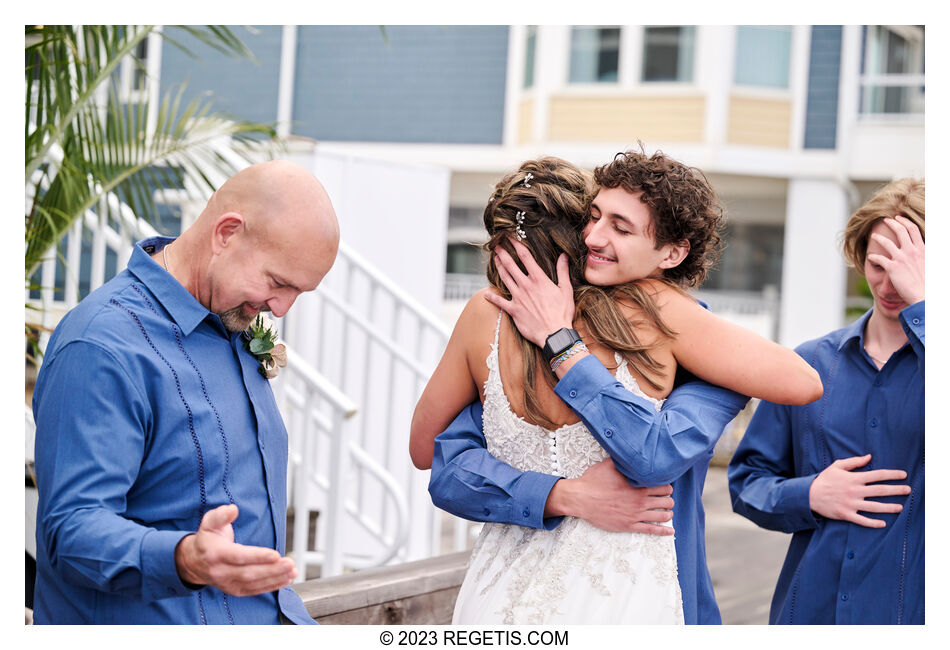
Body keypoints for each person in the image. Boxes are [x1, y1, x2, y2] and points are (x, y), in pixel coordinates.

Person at [411, 153, 822, 624]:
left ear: (672, 252)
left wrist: (562, 344)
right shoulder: (661, 317)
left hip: (528, 591)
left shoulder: (670, 322)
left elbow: (433, 452)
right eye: (592, 217)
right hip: (595, 595)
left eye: (620, 228)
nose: (594, 236)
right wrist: (563, 493)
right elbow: (443, 459)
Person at [31, 160, 340, 624]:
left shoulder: (231, 318)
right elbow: (71, 531)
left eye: (299, 293)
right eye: (278, 283)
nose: (280, 308)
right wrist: (185, 559)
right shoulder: (101, 345)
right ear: (227, 233)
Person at [728, 178, 924, 624]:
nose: (889, 281)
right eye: (877, 263)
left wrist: (926, 307)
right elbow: (746, 482)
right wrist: (809, 493)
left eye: (906, 265)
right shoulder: (809, 363)